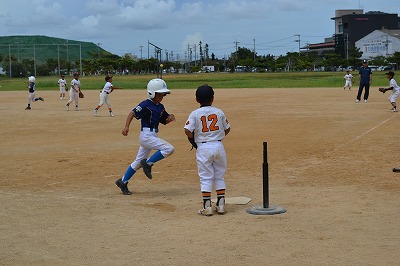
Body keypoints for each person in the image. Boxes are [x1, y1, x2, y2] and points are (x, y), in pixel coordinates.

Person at [115, 78, 175, 195]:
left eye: (163, 94)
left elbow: (165, 120)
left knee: (138, 162)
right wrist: (126, 126)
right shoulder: (146, 104)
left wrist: (170, 118)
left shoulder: (160, 106)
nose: (162, 96)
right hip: (147, 136)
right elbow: (132, 113)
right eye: (160, 94)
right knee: (169, 148)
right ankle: (148, 163)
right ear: (152, 93)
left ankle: (123, 182)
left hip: (152, 135)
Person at [184, 84, 231, 216]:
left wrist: (194, 139)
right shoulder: (219, 111)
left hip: (203, 147)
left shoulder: (195, 113)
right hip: (218, 145)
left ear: (197, 100)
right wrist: (217, 137)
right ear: (213, 98)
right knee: (219, 176)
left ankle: (207, 207)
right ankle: (221, 205)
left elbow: (187, 130)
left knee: (205, 178)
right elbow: (227, 128)